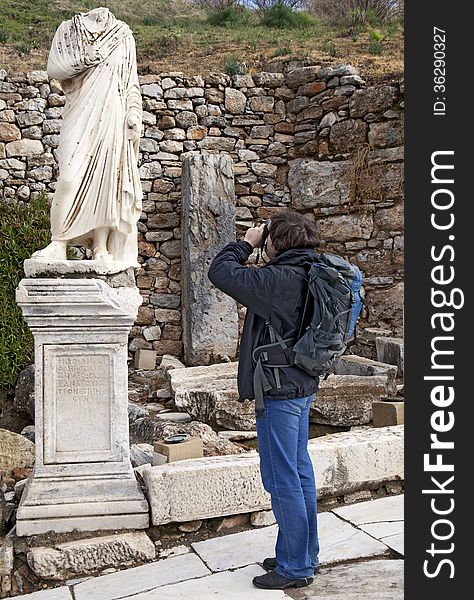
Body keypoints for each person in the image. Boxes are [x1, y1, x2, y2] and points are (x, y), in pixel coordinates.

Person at [208, 210, 321, 591]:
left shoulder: (277, 278)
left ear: (276, 241)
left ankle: (293, 567)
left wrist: (248, 242)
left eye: (269, 235)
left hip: (277, 391)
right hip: (302, 384)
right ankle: (304, 553)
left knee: (281, 476)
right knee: (299, 471)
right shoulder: (312, 271)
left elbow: (220, 271)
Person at [33, 7, 142, 264]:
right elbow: (56, 68)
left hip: (113, 116)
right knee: (69, 178)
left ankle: (101, 247)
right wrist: (86, 58)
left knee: (107, 181)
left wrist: (134, 114)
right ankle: (58, 242)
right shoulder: (71, 29)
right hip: (80, 112)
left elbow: (131, 84)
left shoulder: (123, 35)